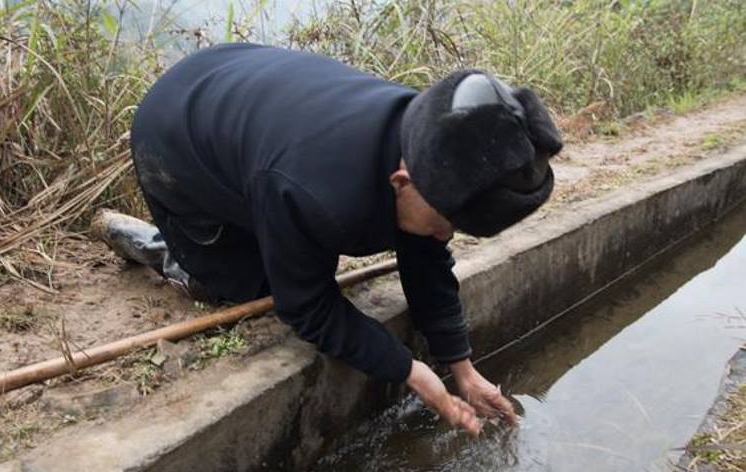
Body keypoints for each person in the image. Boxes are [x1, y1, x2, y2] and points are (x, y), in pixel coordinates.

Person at [102, 43, 562, 434]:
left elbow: (424, 257)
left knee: (353, 237)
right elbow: (307, 307)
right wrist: (414, 373)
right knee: (242, 287)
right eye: (446, 222)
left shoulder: (430, 140)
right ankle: (167, 249)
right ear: (402, 180)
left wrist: (461, 368)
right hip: (175, 132)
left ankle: (240, 235)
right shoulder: (313, 190)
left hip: (248, 96)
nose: (446, 235)